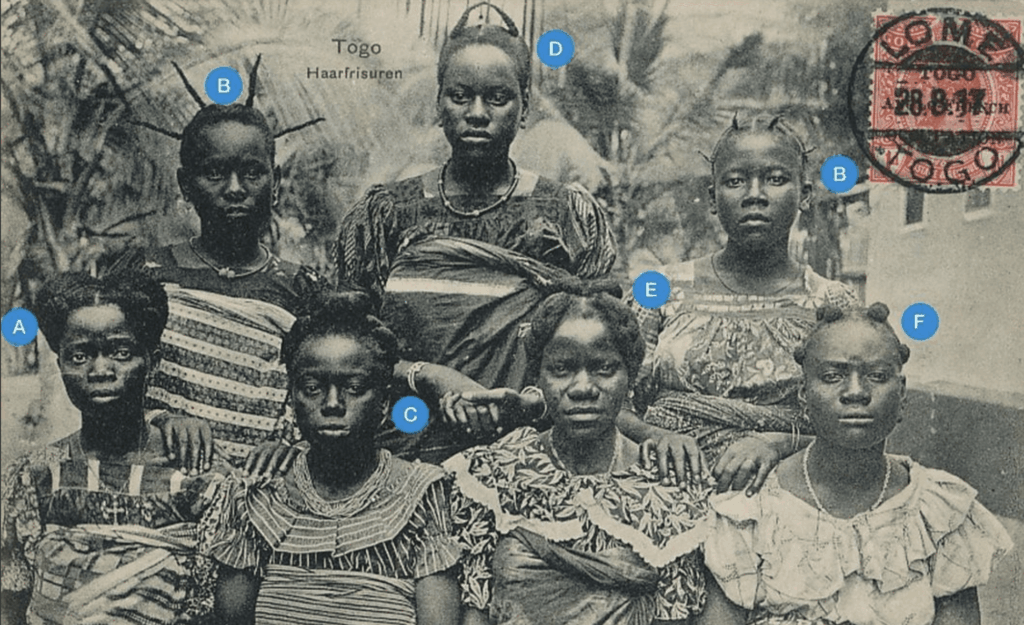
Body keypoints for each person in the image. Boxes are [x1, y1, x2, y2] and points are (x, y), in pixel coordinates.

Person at [335, 2, 616, 464]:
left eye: (498, 98)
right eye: (460, 96)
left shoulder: (567, 215)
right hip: (400, 456)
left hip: (531, 458)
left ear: (524, 109)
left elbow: (601, 349)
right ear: (438, 104)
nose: (477, 113)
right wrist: (430, 376)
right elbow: (346, 348)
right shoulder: (387, 215)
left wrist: (527, 402)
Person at [703, 303, 1013, 625]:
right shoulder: (749, 511)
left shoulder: (939, 513)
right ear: (803, 395)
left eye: (877, 376)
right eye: (832, 376)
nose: (856, 392)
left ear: (902, 393)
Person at [444, 290, 739, 625]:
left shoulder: (671, 489)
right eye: (561, 368)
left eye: (603, 368)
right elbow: (475, 612)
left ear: (629, 377)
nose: (583, 387)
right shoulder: (493, 475)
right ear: (537, 377)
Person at [619, 114, 858, 494]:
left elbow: (857, 419)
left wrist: (778, 443)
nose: (755, 195)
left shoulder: (831, 303)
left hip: (786, 493)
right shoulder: (660, 291)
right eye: (735, 181)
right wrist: (655, 434)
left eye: (776, 179)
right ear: (713, 198)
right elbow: (614, 402)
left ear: (806, 195)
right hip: (666, 485)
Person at [114, 61, 329, 471]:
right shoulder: (145, 274)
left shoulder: (304, 290)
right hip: (160, 482)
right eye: (214, 172)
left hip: (265, 493)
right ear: (185, 184)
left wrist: (294, 447)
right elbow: (108, 378)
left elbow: (324, 393)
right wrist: (161, 419)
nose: (235, 189)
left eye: (251, 173)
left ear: (275, 181)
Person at [202, 293, 462, 625]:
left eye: (354, 387)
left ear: (384, 403)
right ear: (292, 400)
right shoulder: (255, 499)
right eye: (312, 388)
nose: (333, 404)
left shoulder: (421, 493)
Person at [1, 271, 224, 625]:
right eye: (79, 356)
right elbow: (11, 607)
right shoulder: (35, 475)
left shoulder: (201, 481)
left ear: (153, 361)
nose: (100, 369)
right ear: (60, 366)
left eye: (121, 352)